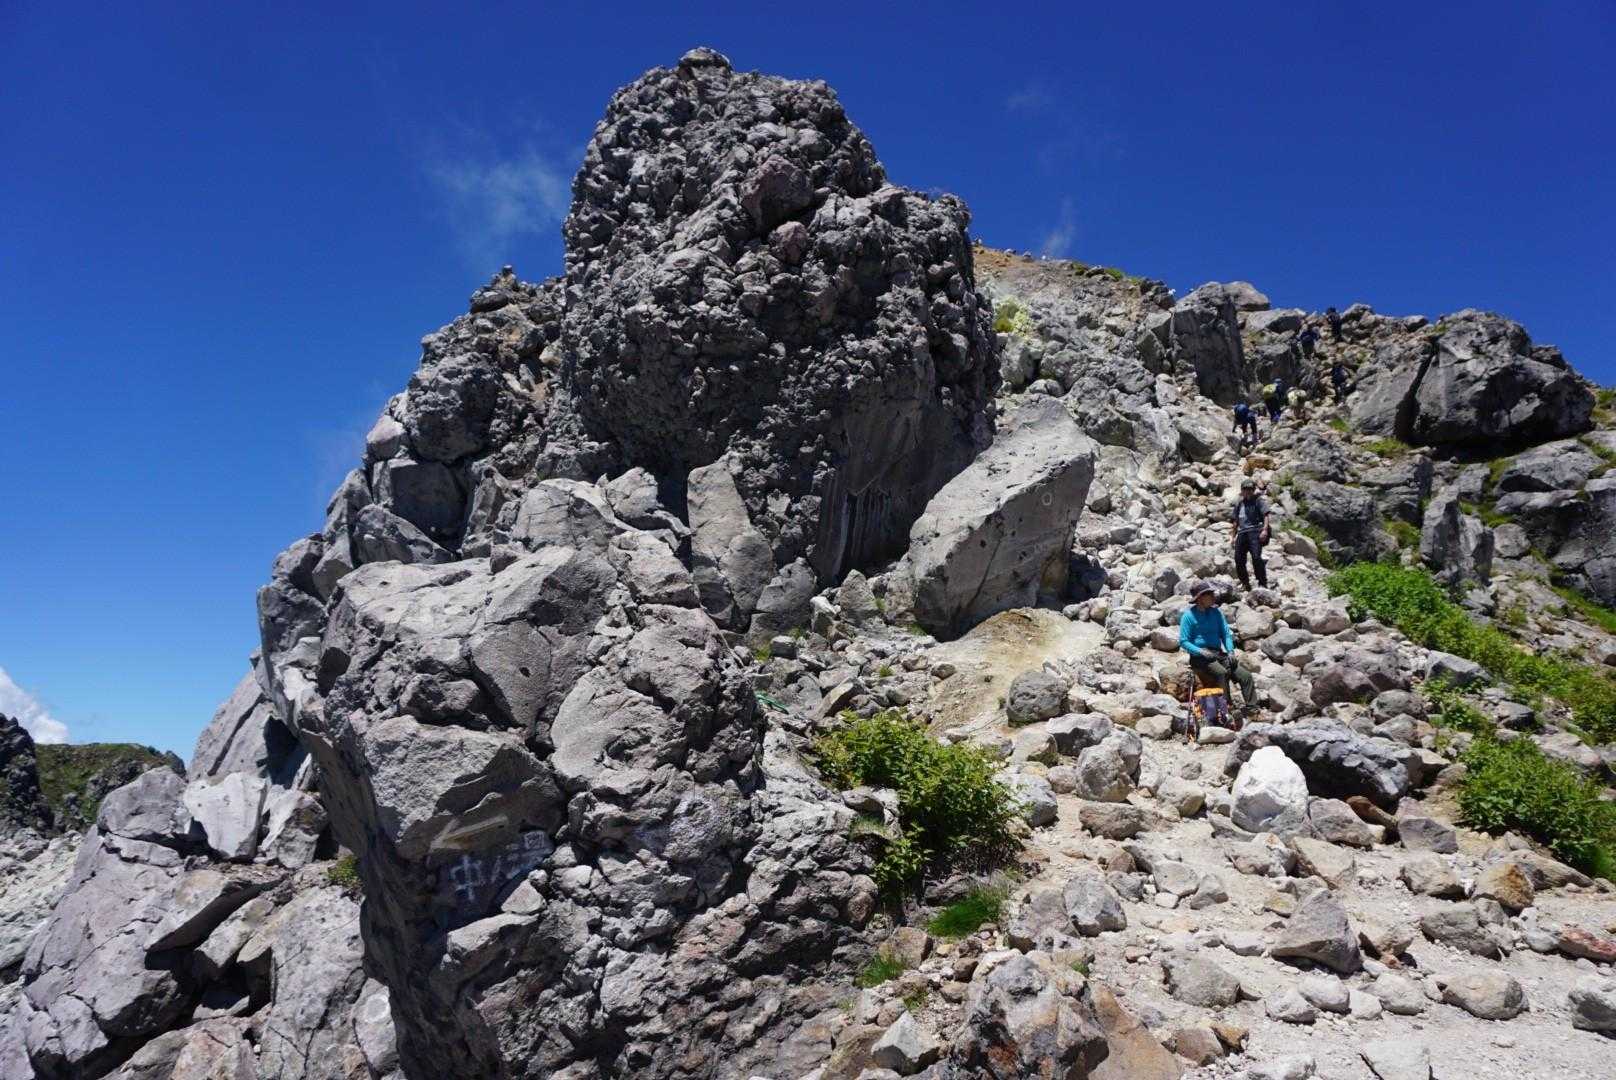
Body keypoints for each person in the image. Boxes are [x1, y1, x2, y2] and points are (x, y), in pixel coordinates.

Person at [1179, 581, 1256, 713]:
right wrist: (1200, 651)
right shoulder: (1188, 616)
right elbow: (1184, 641)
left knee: (1245, 676)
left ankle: (1253, 709)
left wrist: (1230, 651)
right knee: (1222, 673)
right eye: (1209, 594)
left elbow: (1225, 633)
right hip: (1200, 657)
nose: (1213, 596)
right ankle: (1227, 708)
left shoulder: (1216, 613)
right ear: (1200, 598)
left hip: (1218, 653)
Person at [1231, 478, 1271, 589]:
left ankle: (1262, 582)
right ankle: (1245, 583)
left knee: (1256, 557)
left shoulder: (1258, 501)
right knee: (1238, 559)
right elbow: (1235, 521)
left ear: (1253, 490)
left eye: (1250, 489)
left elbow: (1266, 515)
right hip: (1242, 533)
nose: (1248, 491)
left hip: (1255, 531)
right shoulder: (1239, 503)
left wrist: (1265, 530)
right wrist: (1233, 537)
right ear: (1242, 490)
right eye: (1245, 489)